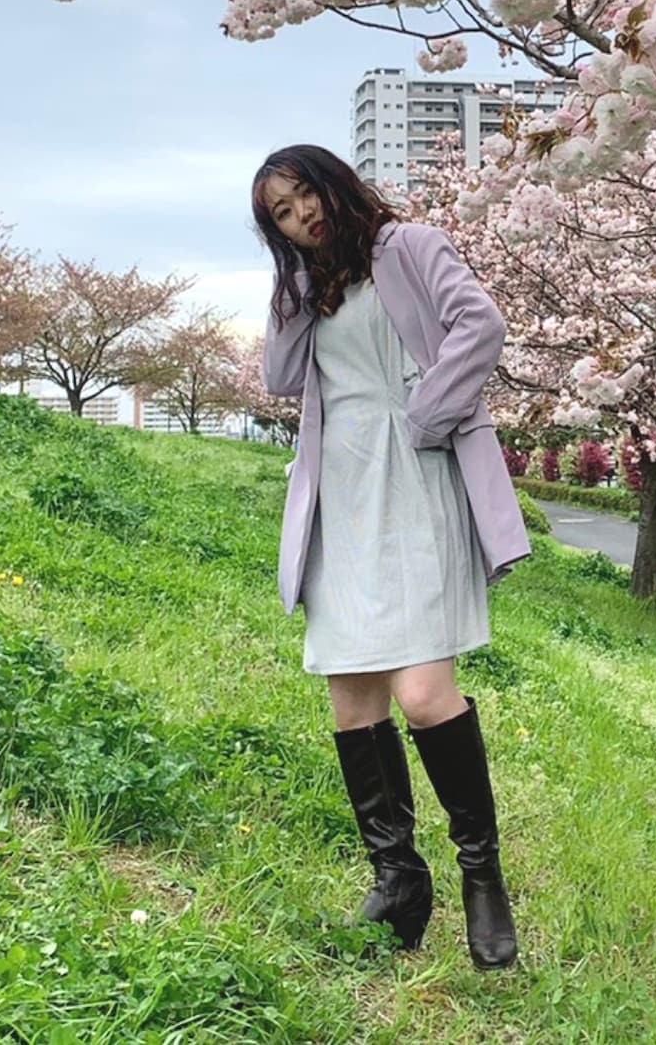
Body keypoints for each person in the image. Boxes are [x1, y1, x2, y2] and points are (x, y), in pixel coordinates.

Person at [252, 144, 531, 971]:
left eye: (304, 196)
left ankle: (481, 873)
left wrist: (425, 416)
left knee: (423, 692)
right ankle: (398, 884)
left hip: (415, 479)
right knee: (352, 698)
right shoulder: (309, 287)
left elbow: (481, 325)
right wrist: (292, 286)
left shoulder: (409, 247)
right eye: (280, 214)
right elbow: (278, 376)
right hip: (342, 497)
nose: (300, 216)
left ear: (333, 184)